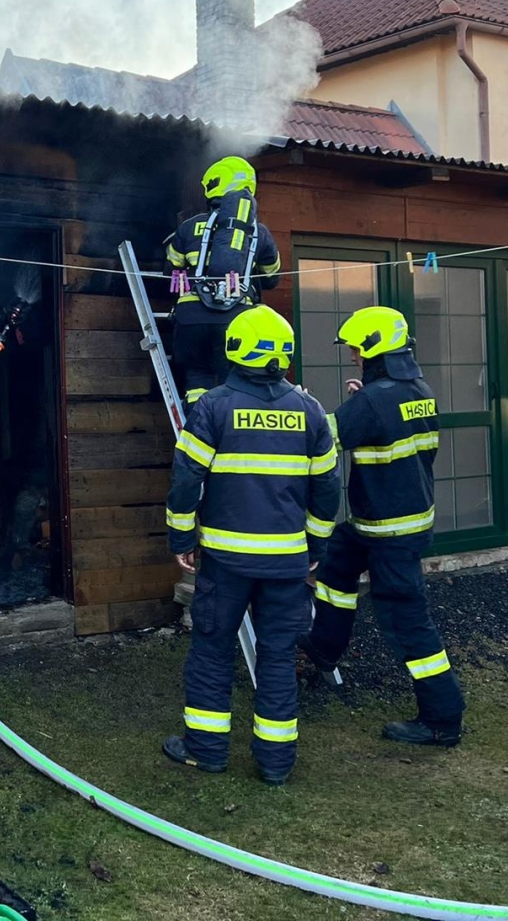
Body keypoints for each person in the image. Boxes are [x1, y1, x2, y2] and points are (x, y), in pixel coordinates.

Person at [162, 305, 340, 785]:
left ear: (235, 349)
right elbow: (327, 489)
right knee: (279, 656)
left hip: (225, 562)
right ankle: (277, 763)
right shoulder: (311, 411)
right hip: (287, 564)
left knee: (212, 650)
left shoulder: (213, 407)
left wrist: (181, 537)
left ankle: (205, 750)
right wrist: (316, 546)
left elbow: (185, 479)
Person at [299, 306, 465, 747]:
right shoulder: (416, 388)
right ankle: (324, 644)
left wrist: (301, 403)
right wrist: (364, 398)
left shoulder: (374, 401)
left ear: (372, 348)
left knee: (407, 621)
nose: (352, 355)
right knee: (336, 562)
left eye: (355, 348)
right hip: (388, 523)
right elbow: (383, 421)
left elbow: (322, 434)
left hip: (390, 532)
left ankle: (442, 717)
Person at [165, 156, 283, 409]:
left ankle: (198, 427)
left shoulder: (187, 227)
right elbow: (272, 278)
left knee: (197, 378)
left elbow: (170, 271)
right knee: (233, 381)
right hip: (236, 320)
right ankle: (230, 431)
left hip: (190, 319)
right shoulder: (258, 232)